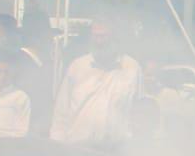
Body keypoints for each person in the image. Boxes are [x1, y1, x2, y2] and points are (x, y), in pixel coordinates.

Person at [49, 14, 143, 146]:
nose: (99, 41)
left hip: (115, 150)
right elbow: (61, 113)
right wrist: (56, 146)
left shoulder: (132, 68)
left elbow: (139, 113)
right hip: (77, 149)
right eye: (95, 36)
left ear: (115, 38)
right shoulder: (77, 67)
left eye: (103, 36)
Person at [0, 48, 31, 137]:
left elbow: (23, 131)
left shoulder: (21, 97)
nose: (2, 76)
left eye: (7, 72)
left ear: (13, 72)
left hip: (9, 143)